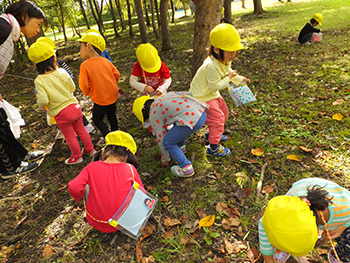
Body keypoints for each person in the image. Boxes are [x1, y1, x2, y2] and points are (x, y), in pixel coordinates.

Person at [28, 41, 96, 165]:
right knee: (81, 130)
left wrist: (41, 103)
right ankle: (90, 150)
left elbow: (43, 100)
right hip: (75, 107)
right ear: (54, 58)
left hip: (61, 113)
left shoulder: (39, 80)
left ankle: (77, 156)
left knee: (69, 136)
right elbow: (72, 88)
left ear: (35, 64)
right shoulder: (62, 72)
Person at [0, 0, 47, 179]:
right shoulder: (3, 27)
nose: (37, 30)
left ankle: (20, 155)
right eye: (38, 24)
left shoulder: (6, 28)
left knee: (2, 119)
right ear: (25, 17)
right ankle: (10, 167)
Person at [189, 23, 250, 157]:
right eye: (230, 51)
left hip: (210, 93)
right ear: (217, 50)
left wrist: (239, 79)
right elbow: (215, 86)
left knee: (224, 112)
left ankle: (211, 134)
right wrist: (228, 78)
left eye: (235, 51)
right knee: (217, 119)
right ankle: (213, 147)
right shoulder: (211, 65)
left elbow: (228, 72)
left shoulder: (224, 60)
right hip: (202, 95)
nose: (233, 55)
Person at [259, 178, 350, 263]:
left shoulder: (344, 208)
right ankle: (283, 245)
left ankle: (342, 253)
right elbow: (264, 226)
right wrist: (269, 259)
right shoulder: (279, 213)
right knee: (280, 235)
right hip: (302, 192)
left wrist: (344, 225)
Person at [68, 130, 143, 233]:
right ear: (127, 156)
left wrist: (78, 197)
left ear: (103, 152)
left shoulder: (91, 167)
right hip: (122, 222)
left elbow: (73, 186)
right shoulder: (130, 169)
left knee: (87, 185)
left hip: (96, 221)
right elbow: (141, 193)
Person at [133, 92, 207, 177]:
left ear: (147, 115)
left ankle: (186, 168)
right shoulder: (163, 98)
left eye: (147, 121)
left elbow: (161, 138)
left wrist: (165, 158)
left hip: (192, 121)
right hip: (201, 111)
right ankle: (180, 149)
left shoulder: (153, 114)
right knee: (177, 126)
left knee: (168, 142)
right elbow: (186, 93)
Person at [35, 37, 95, 138]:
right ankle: (63, 130)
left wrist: (65, 85)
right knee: (58, 114)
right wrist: (37, 93)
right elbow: (39, 84)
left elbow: (69, 75)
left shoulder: (60, 63)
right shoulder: (40, 70)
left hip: (64, 92)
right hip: (52, 96)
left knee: (72, 110)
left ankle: (85, 125)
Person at [78, 31, 120, 144]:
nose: (80, 50)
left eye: (81, 46)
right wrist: (112, 84)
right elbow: (117, 74)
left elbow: (84, 84)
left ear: (89, 46)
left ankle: (109, 137)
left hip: (100, 99)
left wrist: (87, 92)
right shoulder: (106, 61)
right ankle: (116, 134)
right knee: (112, 116)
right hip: (113, 96)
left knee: (97, 119)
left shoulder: (85, 65)